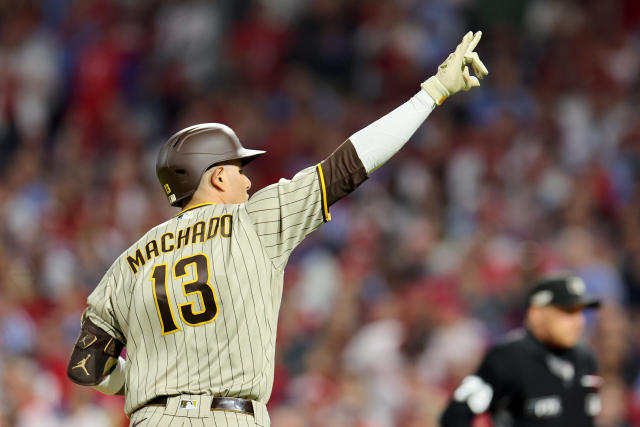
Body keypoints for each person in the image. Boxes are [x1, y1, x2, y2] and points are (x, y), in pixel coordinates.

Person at [67, 31, 488, 427]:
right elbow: (350, 163)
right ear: (215, 178)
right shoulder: (251, 221)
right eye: (238, 170)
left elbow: (87, 367)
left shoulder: (127, 263)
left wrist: (146, 384)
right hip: (228, 416)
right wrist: (431, 93)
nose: (249, 182)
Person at [440, 275, 603, 427]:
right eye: (568, 312)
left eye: (580, 312)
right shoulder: (507, 358)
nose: (579, 321)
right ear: (536, 314)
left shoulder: (586, 359)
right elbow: (455, 415)